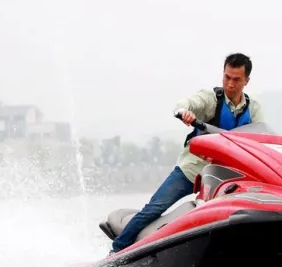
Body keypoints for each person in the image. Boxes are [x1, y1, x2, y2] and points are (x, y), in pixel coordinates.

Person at [107, 52, 264, 255]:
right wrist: (185, 112)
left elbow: (262, 138)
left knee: (239, 217)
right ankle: (116, 251)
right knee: (154, 209)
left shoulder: (254, 109)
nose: (230, 84)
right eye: (227, 77)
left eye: (236, 79)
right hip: (192, 170)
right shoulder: (210, 99)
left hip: (224, 179)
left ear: (246, 81)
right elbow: (183, 105)